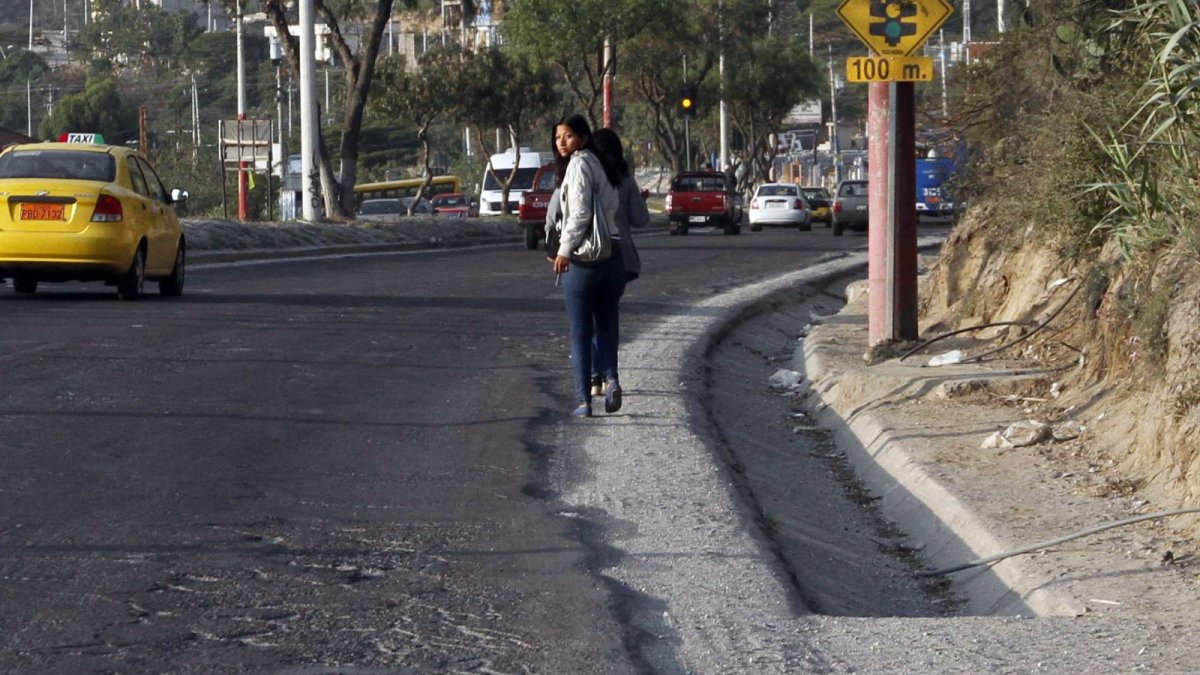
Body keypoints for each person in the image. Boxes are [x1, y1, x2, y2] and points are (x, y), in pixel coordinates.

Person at [547, 114, 623, 418]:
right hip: (613, 253)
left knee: (580, 331)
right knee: (606, 324)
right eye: (557, 138)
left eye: (567, 136)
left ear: (582, 136)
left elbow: (578, 216)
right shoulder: (603, 163)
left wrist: (564, 251)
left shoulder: (578, 165)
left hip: (585, 257)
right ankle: (612, 380)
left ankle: (583, 400)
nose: (561, 143)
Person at [587, 128, 646, 398]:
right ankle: (610, 375)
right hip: (620, 257)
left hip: (587, 255)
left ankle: (594, 377)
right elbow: (640, 219)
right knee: (608, 316)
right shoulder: (624, 179)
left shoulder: (584, 175)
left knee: (586, 318)